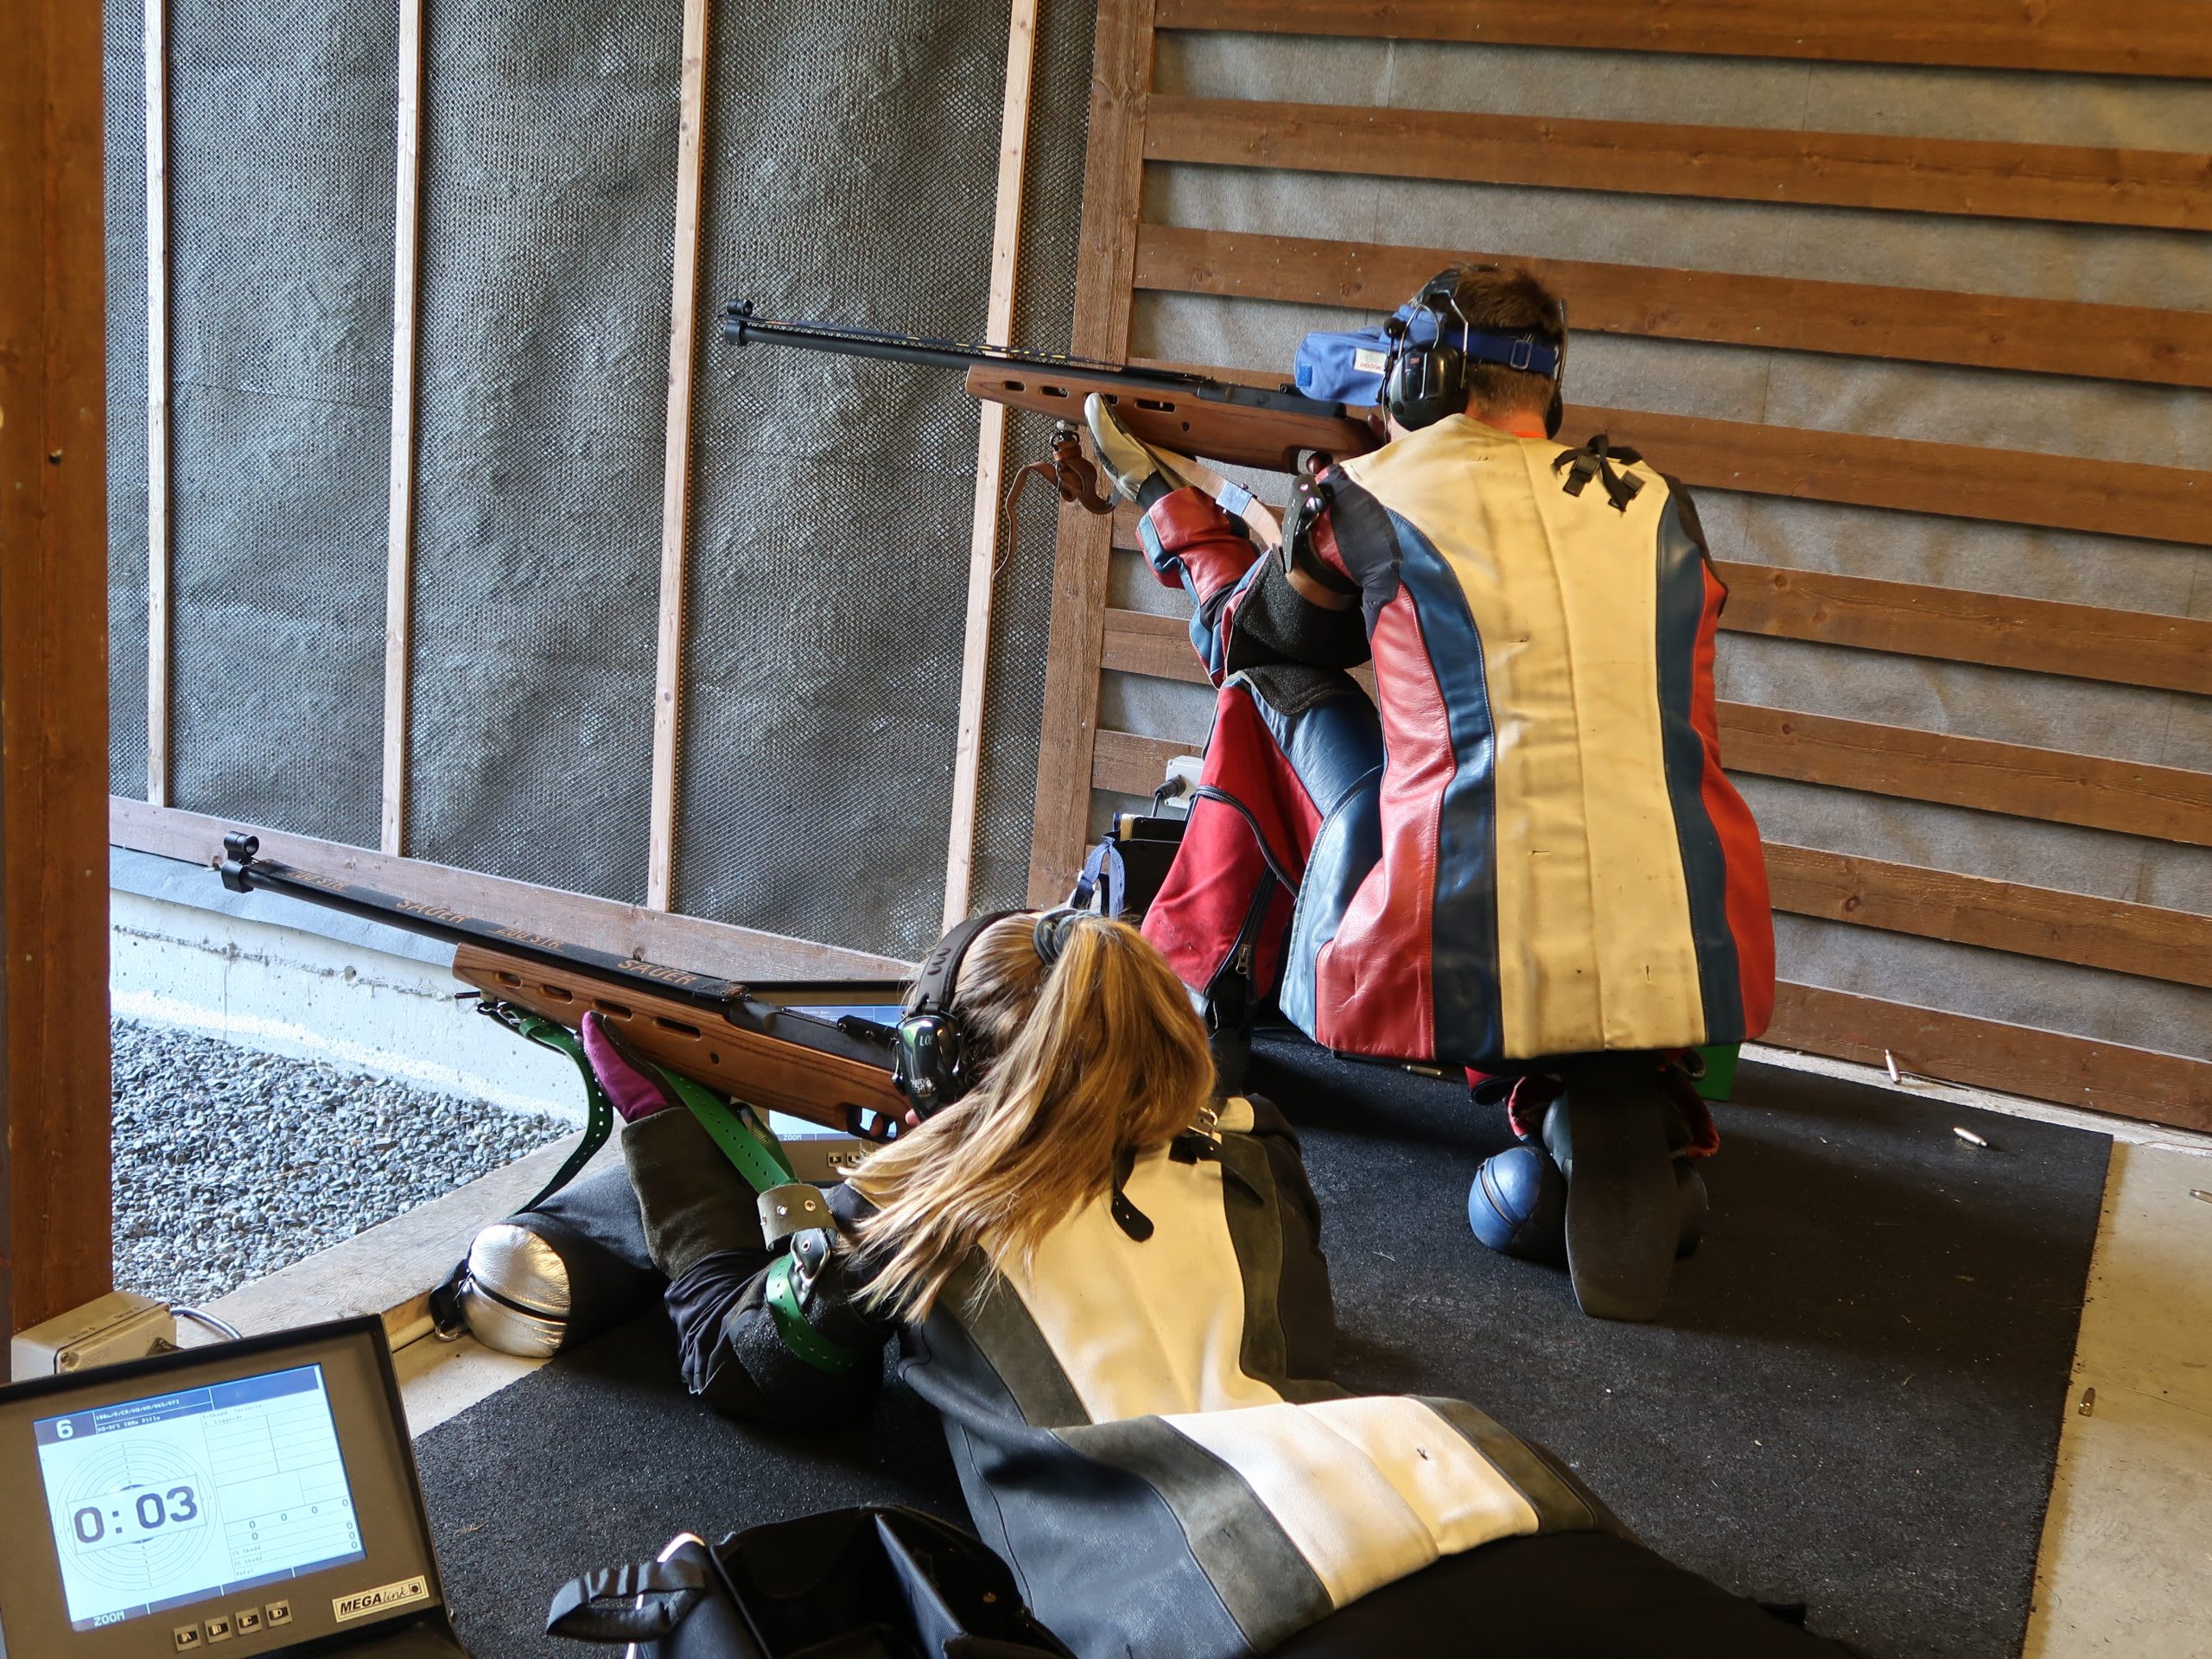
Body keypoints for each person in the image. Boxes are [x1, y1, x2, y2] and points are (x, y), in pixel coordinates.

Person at [591, 908, 1855, 1659]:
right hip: (1478, 1493)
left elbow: (741, 1365)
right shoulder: (1254, 1145)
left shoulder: (907, 1222)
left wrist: (662, 1128)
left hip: (1226, 1599)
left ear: (937, 1069)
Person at [1083, 264, 1774, 1319]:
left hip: (1452, 936)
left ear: (1416, 377)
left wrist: (1165, 500)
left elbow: (1245, 639)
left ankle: (1201, 1006)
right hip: (1695, 925)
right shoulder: (1653, 501)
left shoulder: (1368, 497)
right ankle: (1600, 1089)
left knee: (1263, 688)